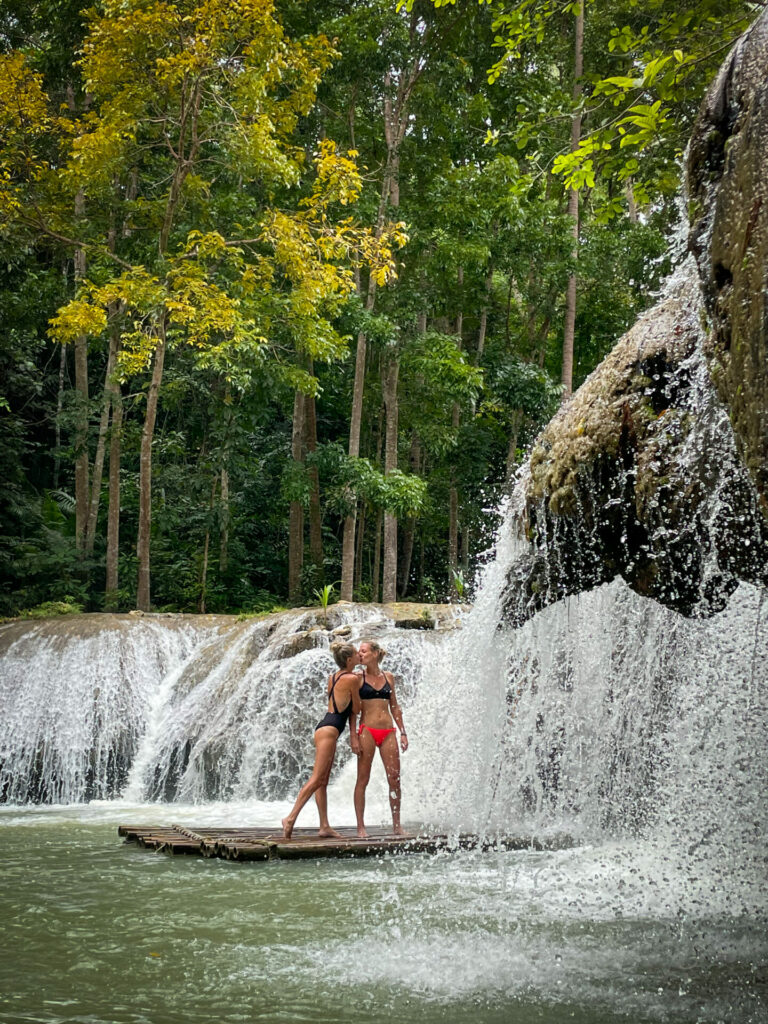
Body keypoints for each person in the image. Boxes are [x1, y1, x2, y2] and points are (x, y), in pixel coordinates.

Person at [281, 641, 361, 840]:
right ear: (349, 659)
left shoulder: (333, 677)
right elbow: (357, 709)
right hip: (330, 729)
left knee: (323, 781)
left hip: (325, 726)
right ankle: (290, 818)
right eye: (357, 653)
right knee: (317, 778)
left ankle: (324, 826)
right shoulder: (352, 678)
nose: (360, 655)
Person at [354, 638, 408, 837]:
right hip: (367, 730)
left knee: (394, 779)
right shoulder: (357, 678)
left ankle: (397, 825)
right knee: (363, 778)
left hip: (388, 732)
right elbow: (353, 711)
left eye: (364, 651)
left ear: (375, 653)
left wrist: (403, 732)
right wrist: (354, 736)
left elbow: (394, 706)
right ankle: (360, 826)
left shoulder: (389, 677)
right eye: (359, 651)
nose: (360, 654)